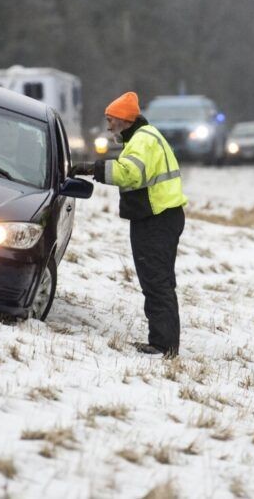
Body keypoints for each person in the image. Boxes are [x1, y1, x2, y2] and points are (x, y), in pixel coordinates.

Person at [71, 91, 188, 357]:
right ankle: (162, 341)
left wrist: (93, 169)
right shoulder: (144, 137)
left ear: (124, 120)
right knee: (159, 281)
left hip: (156, 218)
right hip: (160, 216)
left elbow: (130, 174)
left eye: (111, 120)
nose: (109, 125)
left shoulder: (142, 140)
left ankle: (163, 345)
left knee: (156, 282)